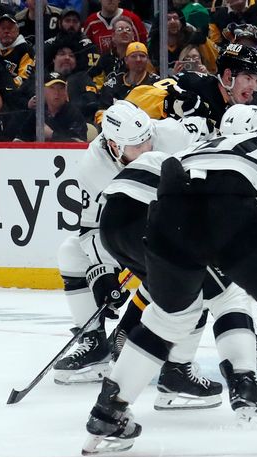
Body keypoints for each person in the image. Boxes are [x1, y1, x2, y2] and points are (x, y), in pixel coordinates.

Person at [82, 102, 257, 454]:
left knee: (169, 319)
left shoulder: (215, 143)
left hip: (168, 205)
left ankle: (107, 412)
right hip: (231, 206)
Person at [53, 101, 217, 403]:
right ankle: (94, 342)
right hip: (132, 225)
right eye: (135, 146)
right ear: (113, 145)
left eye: (147, 141)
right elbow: (90, 229)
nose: (145, 149)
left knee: (191, 277)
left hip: (181, 219)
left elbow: (210, 136)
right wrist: (102, 275)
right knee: (71, 253)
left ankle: (178, 366)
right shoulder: (93, 166)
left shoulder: (173, 134)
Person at [125, 43, 257, 126]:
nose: (253, 87)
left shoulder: (252, 107)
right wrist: (171, 104)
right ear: (228, 77)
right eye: (248, 78)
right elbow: (135, 100)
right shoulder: (192, 82)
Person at [17, 71, 87, 142]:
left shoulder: (73, 113)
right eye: (52, 88)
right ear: (43, 90)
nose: (57, 92)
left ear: (65, 91)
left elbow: (79, 144)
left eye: (61, 88)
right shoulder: (38, 113)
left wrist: (52, 135)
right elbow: (20, 140)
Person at [98, 41, 159, 112]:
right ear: (126, 60)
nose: (138, 59)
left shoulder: (156, 83)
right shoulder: (112, 84)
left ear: (147, 59)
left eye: (142, 56)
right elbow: (101, 111)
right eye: (133, 56)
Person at [0, 14, 34, 83]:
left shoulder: (25, 50)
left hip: (15, 91)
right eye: (3, 28)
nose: (6, 31)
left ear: (17, 31)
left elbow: (24, 80)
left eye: (10, 28)